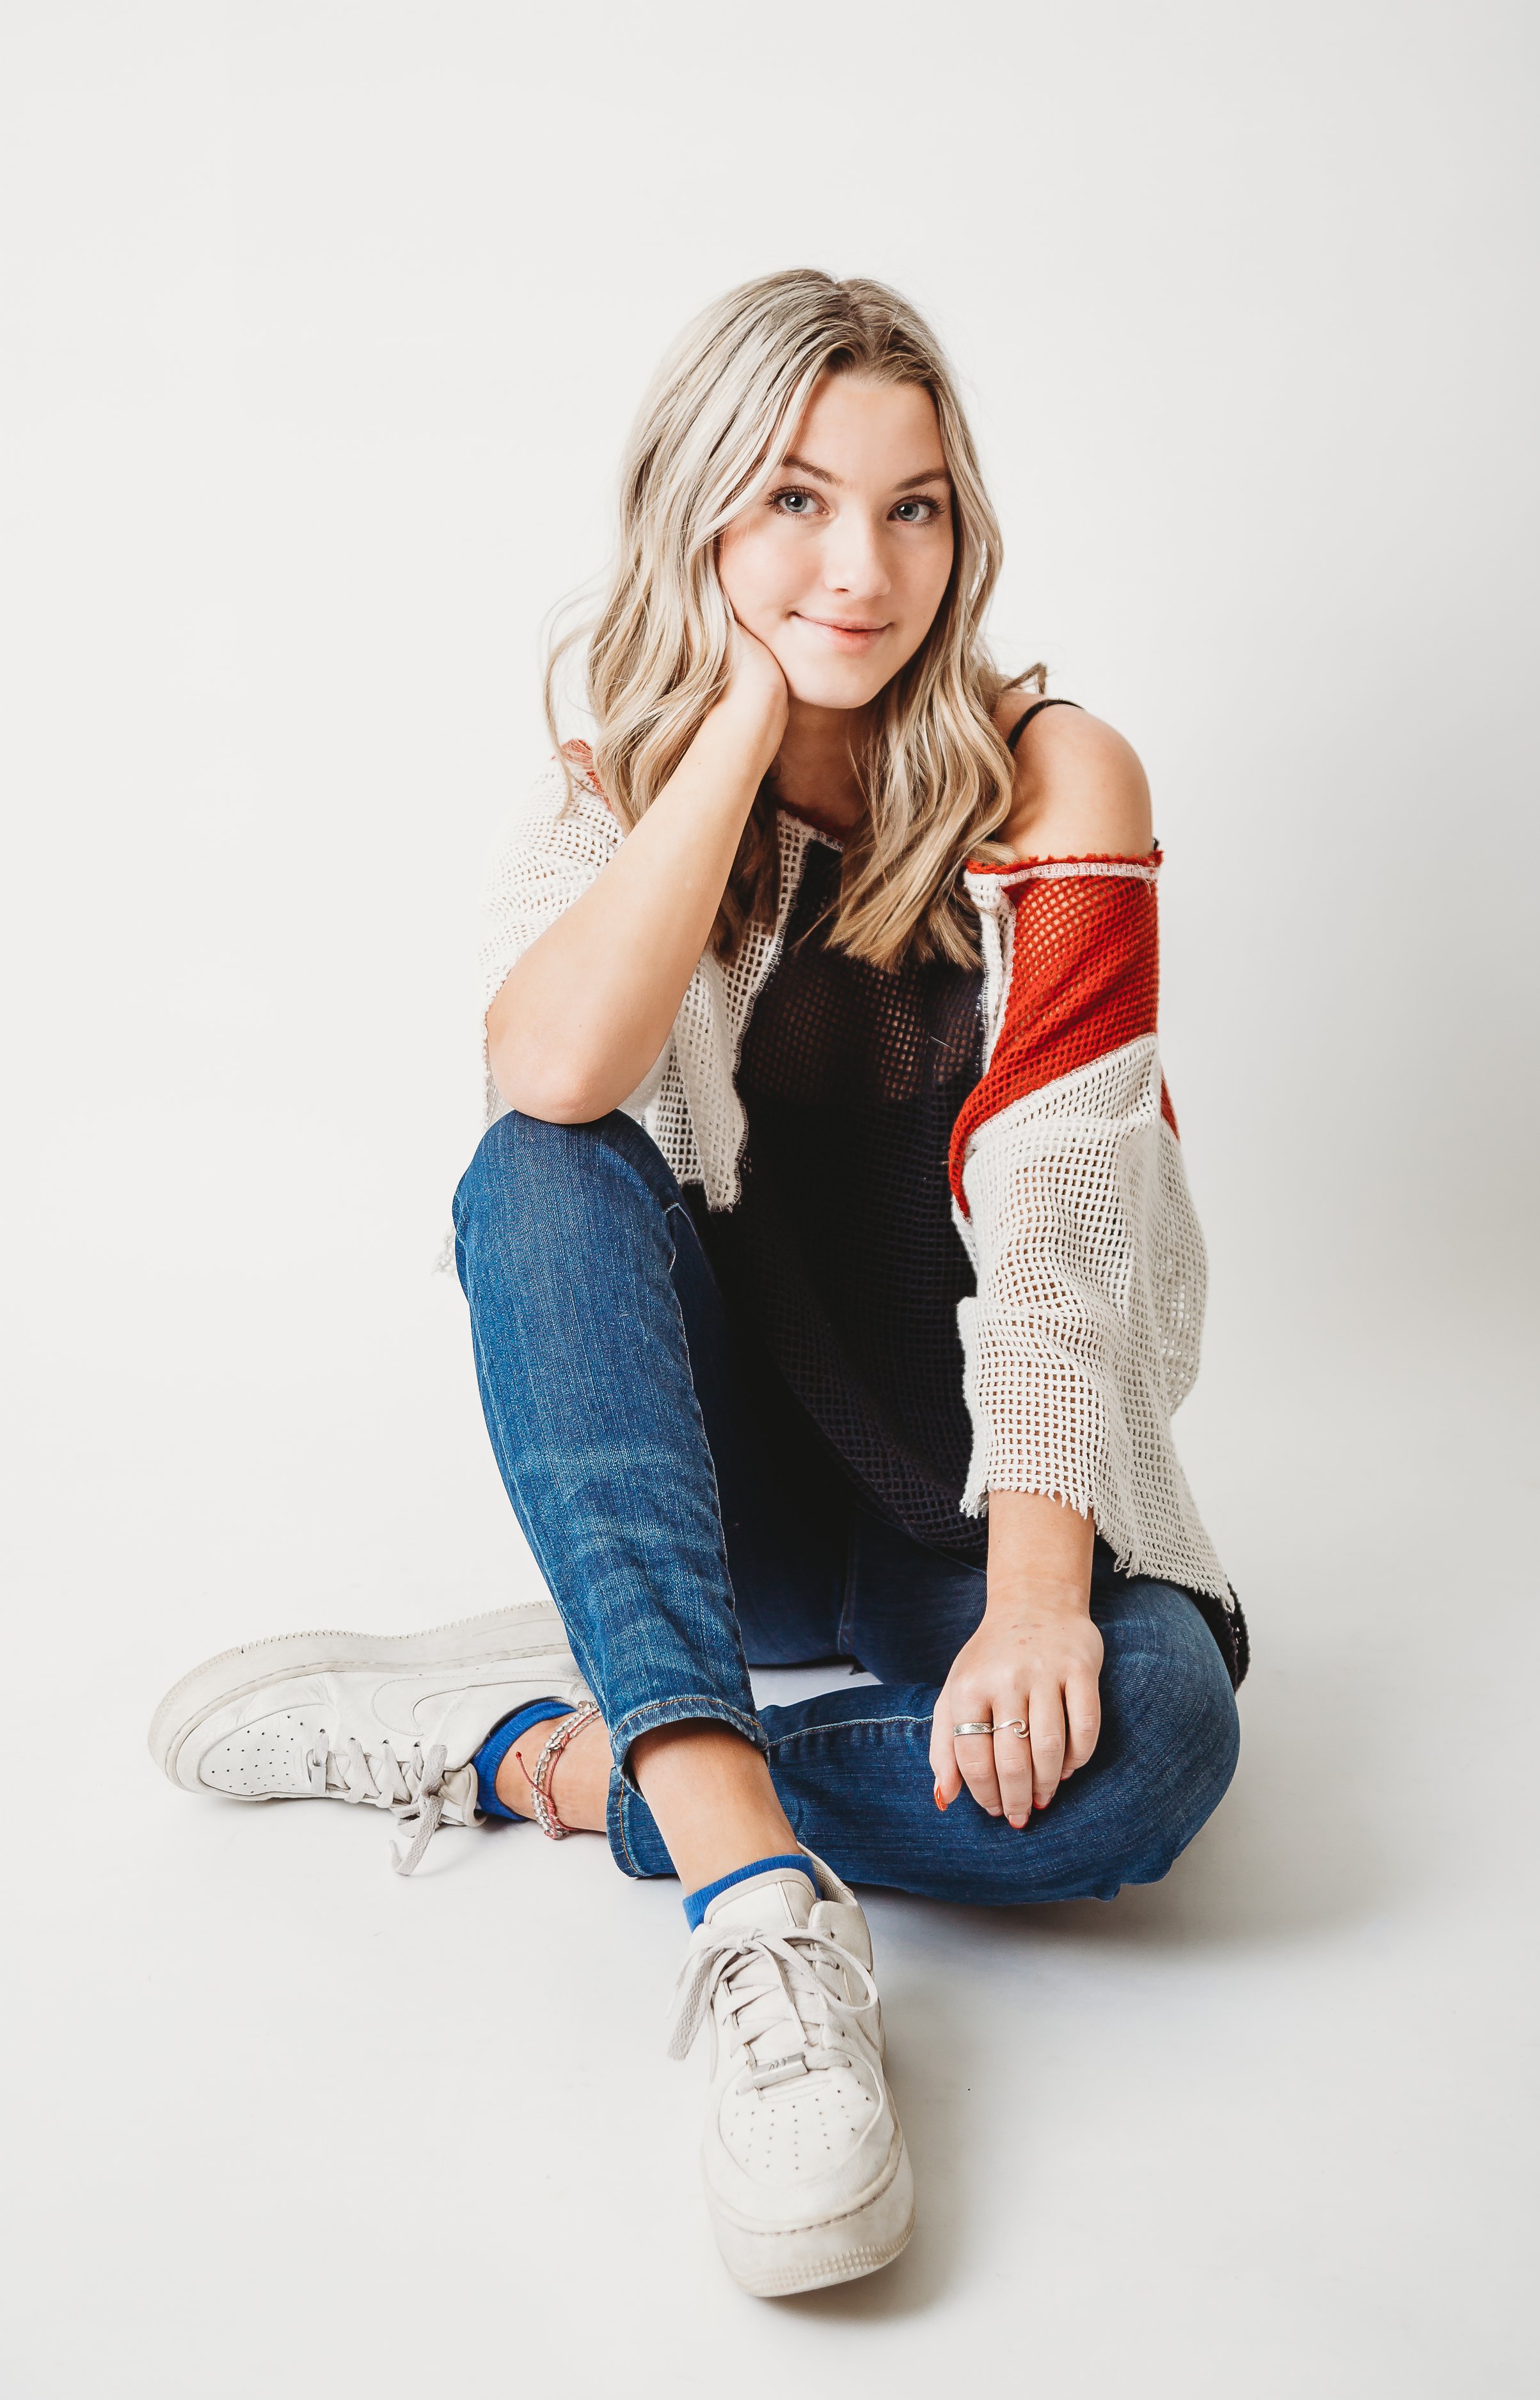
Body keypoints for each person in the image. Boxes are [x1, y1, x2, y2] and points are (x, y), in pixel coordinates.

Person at [148, 269, 1247, 2298]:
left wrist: (1031, 1604)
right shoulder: (616, 795)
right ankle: (753, 1880)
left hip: (972, 1492)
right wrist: (738, 727)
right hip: (728, 1499)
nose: (863, 566)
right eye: (796, 503)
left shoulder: (1053, 777)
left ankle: (556, 1755)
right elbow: (552, 1081)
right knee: (536, 1165)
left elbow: (1069, 1228)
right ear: (700, 518)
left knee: (1159, 1752)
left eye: (913, 510)